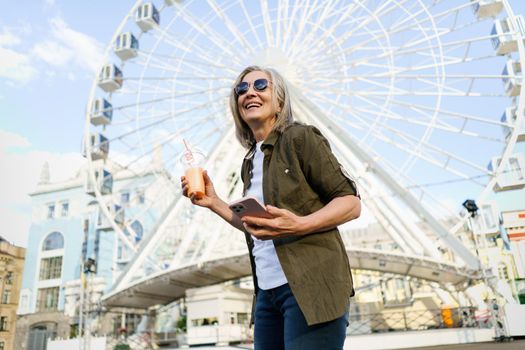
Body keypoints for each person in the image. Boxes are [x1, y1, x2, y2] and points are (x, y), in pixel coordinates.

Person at [181, 66, 361, 349]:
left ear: (280, 101)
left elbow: (350, 203)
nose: (249, 92)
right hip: (266, 293)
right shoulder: (250, 161)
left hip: (310, 285)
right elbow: (258, 225)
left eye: (261, 85)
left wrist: (300, 224)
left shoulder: (301, 138)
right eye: (242, 89)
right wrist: (214, 202)